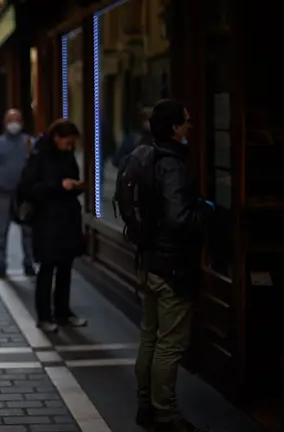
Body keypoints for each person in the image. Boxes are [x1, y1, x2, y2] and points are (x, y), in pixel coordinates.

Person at [134, 99, 213, 432]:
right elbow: (179, 218)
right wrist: (207, 212)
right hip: (172, 266)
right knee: (169, 343)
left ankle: (145, 405)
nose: (191, 125)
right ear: (175, 127)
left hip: (150, 261)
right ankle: (164, 413)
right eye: (187, 121)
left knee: (150, 338)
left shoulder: (146, 156)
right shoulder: (172, 164)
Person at [20, 119, 87, 332]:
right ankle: (44, 316)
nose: (70, 147)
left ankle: (63, 312)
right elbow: (28, 188)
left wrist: (76, 186)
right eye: (67, 142)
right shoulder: (39, 157)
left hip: (67, 219)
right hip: (47, 221)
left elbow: (73, 178)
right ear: (56, 137)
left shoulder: (67, 156)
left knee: (66, 268)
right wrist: (58, 185)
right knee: (47, 268)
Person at [0, 109, 36, 279]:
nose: (14, 123)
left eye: (17, 119)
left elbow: (36, 168)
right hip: (4, 193)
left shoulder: (29, 142)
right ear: (5, 123)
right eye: (10, 120)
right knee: (2, 230)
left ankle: (28, 262)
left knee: (28, 230)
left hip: (24, 195)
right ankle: (1, 264)